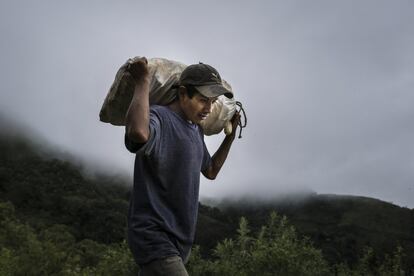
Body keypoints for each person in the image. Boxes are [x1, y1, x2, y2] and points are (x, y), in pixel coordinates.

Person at [124, 57, 240, 276]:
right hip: (154, 238)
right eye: (203, 100)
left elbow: (211, 170)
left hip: (179, 242)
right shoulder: (160, 117)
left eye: (213, 101)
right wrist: (142, 82)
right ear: (183, 93)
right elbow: (138, 133)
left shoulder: (195, 130)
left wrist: (230, 138)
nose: (209, 108)